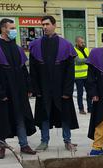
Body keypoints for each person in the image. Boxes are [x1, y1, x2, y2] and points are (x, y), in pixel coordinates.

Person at [0, 18, 36, 159]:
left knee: (20, 116)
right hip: (4, 90)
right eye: (11, 28)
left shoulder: (17, 48)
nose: (14, 30)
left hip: (19, 89)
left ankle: (24, 144)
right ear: (3, 29)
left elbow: (23, 69)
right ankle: (1, 146)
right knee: (3, 119)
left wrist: (28, 87)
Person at [29, 15, 78, 152]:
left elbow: (70, 71)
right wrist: (35, 89)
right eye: (43, 25)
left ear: (54, 25)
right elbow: (33, 70)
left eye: (47, 24)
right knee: (45, 115)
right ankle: (44, 141)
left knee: (65, 116)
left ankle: (67, 140)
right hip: (43, 89)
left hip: (61, 88)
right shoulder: (35, 45)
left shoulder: (66, 45)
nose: (44, 27)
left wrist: (68, 91)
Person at [74, 36, 91, 114]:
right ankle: (81, 109)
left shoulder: (86, 49)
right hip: (78, 76)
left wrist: (87, 60)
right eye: (81, 42)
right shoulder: (74, 50)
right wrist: (88, 60)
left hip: (87, 75)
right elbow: (78, 61)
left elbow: (90, 59)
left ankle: (90, 108)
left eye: (83, 42)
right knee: (80, 94)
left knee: (89, 92)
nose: (83, 44)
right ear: (77, 43)